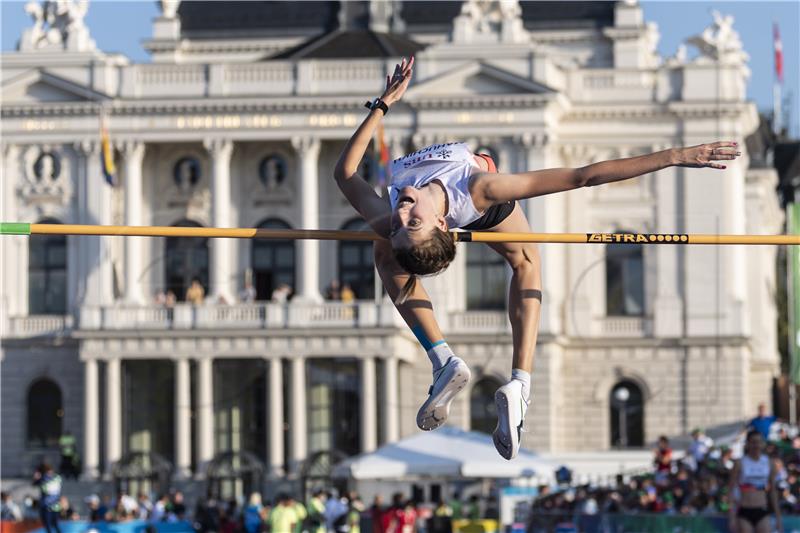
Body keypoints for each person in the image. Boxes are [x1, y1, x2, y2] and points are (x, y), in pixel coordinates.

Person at [333, 56, 742, 459]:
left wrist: (383, 104)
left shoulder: (401, 211)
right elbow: (582, 176)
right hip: (479, 204)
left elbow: (345, 174)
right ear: (440, 224)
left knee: (386, 246)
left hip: (474, 202)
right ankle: (510, 380)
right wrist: (673, 156)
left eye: (404, 221)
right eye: (411, 222)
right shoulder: (477, 189)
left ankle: (458, 367)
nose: (403, 214)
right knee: (522, 262)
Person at [728, 430, 782, 533]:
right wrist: (732, 518)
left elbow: (773, 492)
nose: (756, 445)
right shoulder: (740, 463)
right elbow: (731, 491)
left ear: (762, 443)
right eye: (753, 442)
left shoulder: (769, 463)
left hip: (762, 509)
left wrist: (778, 517)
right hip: (744, 510)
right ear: (748, 444)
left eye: (759, 442)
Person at [32, 463, 62, 533]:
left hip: (46, 506)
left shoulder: (43, 478)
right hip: (56, 505)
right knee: (55, 525)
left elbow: (34, 484)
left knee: (48, 525)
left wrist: (36, 477)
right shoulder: (57, 477)